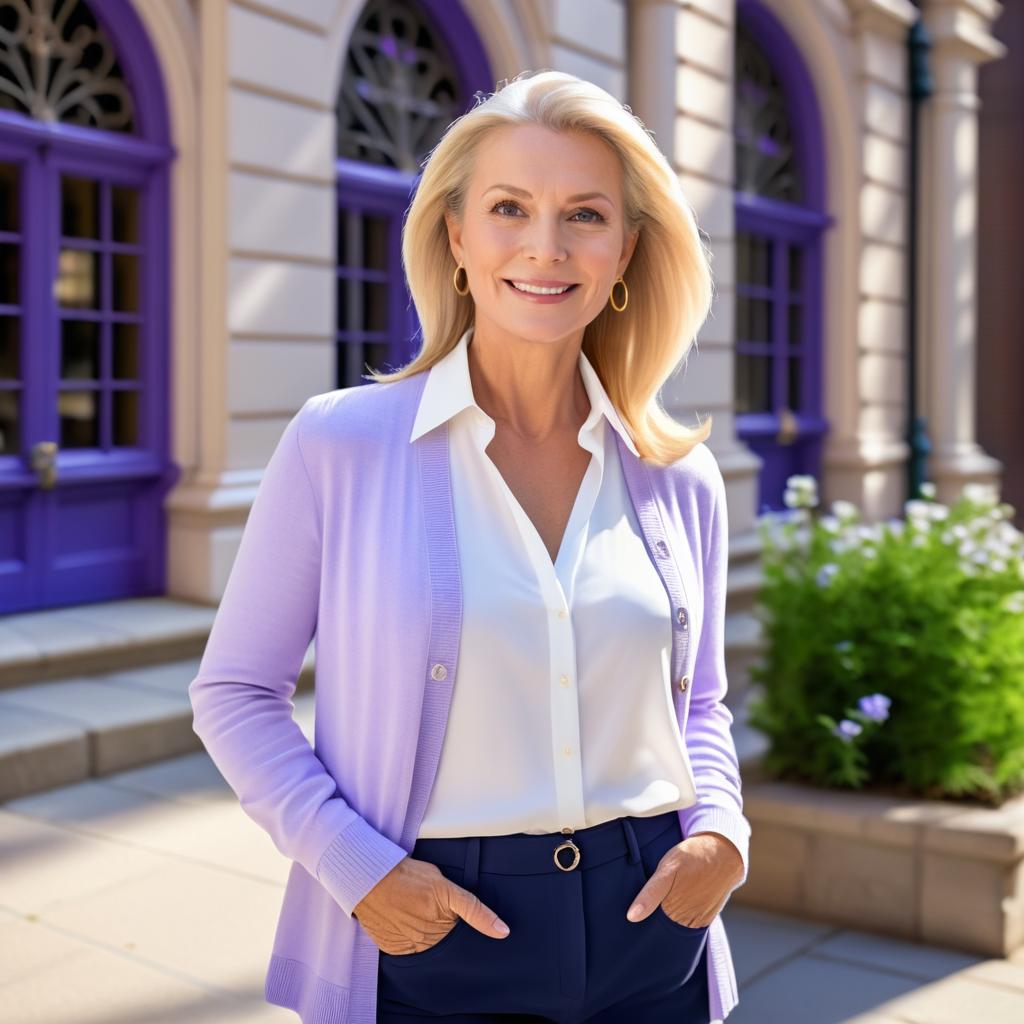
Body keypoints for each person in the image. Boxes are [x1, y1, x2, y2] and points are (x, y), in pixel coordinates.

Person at [189, 69, 751, 1024]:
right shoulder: (343, 443)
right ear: (455, 237)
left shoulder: (678, 475)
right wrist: (356, 871)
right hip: (437, 929)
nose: (545, 246)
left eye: (585, 215)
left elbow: (700, 702)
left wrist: (724, 836)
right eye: (508, 208)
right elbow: (234, 695)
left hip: (654, 922)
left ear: (625, 254)